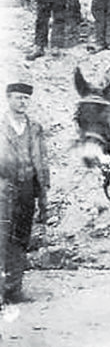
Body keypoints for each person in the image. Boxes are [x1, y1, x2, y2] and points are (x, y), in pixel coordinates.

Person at [0, 82, 49, 303]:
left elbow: (42, 159)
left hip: (27, 188)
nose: (23, 102)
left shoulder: (35, 127)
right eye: (18, 98)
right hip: (3, 188)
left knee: (21, 238)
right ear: (8, 99)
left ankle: (14, 289)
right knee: (2, 237)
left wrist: (43, 189)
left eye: (26, 99)